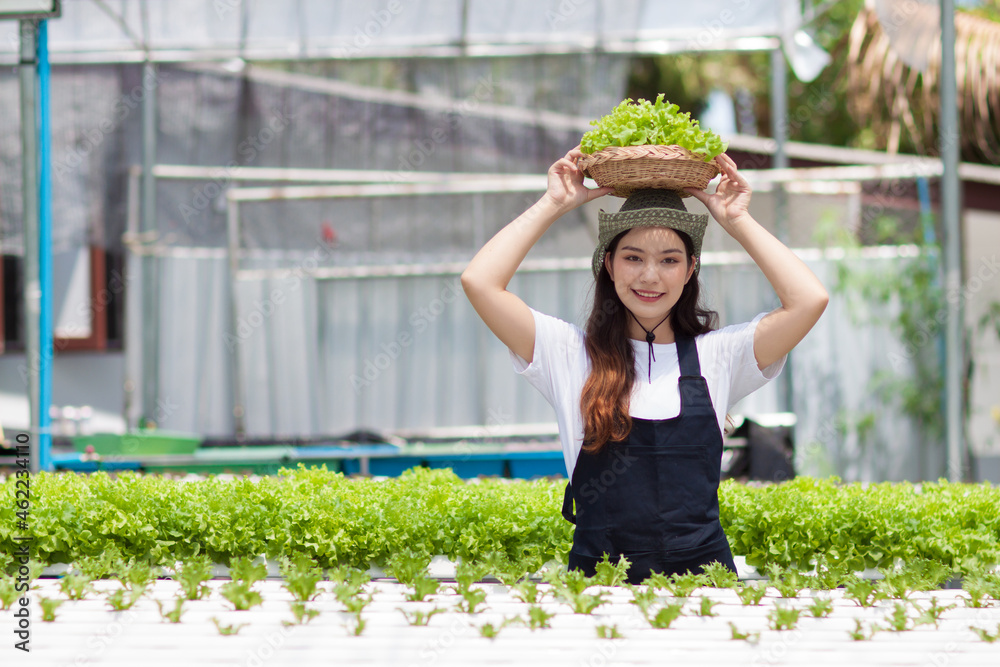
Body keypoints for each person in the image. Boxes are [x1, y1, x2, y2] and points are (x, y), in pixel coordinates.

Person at [461, 147, 828, 584]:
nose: (650, 276)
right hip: (599, 589)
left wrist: (737, 220)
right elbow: (479, 282)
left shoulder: (719, 355)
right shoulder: (569, 354)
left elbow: (810, 300)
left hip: (703, 593)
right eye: (633, 257)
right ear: (609, 266)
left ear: (691, 269)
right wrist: (553, 204)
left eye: (669, 260)